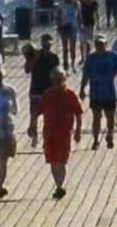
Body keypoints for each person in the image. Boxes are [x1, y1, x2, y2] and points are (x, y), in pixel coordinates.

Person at [31, 65, 82, 198]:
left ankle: (60, 185)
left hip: (64, 133)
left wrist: (78, 131)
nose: (57, 82)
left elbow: (78, 113)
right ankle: (58, 185)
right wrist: (33, 127)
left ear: (64, 79)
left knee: (62, 160)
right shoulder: (47, 94)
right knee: (53, 160)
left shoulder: (70, 94)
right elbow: (37, 112)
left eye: (60, 79)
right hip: (49, 132)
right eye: (55, 80)